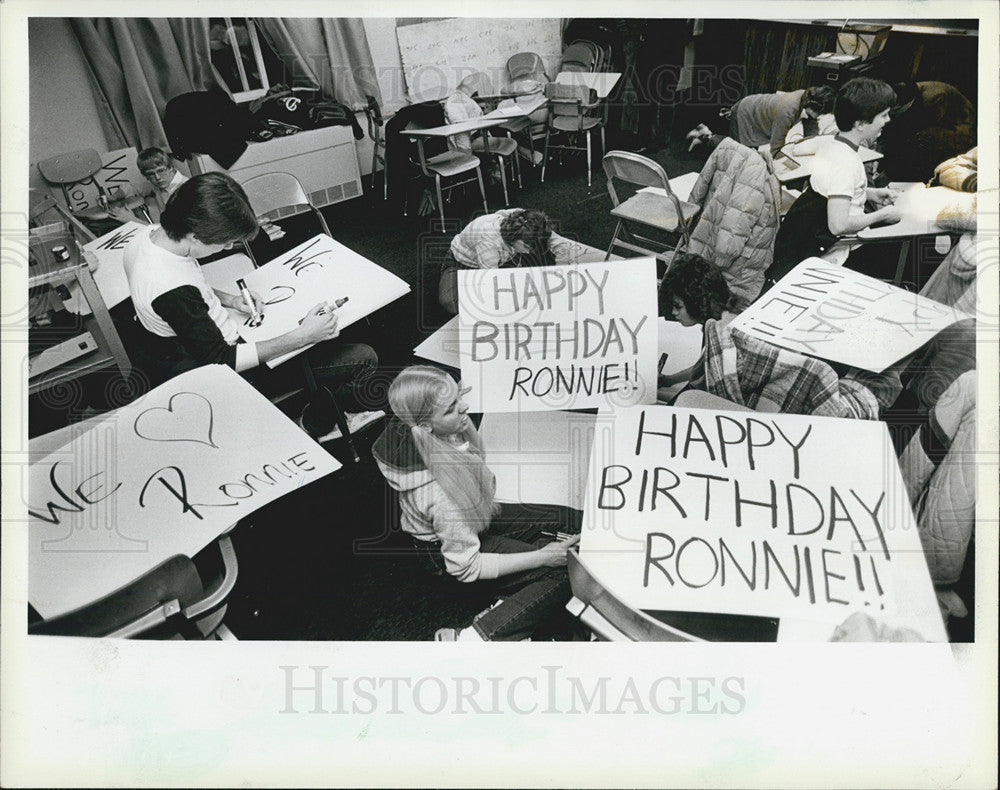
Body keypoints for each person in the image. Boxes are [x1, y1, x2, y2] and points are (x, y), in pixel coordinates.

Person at [123, 172, 383, 440]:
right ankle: (312, 426)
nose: (226, 247)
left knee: (329, 335)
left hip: (184, 346)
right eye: (223, 243)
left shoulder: (147, 237)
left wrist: (229, 299)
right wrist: (303, 336)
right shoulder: (170, 286)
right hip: (227, 370)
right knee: (363, 358)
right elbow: (223, 360)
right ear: (194, 235)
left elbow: (183, 288)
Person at [373, 366, 581, 641]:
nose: (465, 407)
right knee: (566, 573)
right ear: (425, 426)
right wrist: (543, 557)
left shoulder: (427, 425)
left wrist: (454, 411)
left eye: (460, 396)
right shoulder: (442, 496)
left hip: (472, 520)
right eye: (451, 408)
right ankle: (476, 637)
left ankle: (510, 597)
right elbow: (465, 568)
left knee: (570, 520)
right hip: (449, 553)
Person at [438, 208, 595, 313]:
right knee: (449, 302)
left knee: (535, 280)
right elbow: (492, 282)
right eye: (527, 246)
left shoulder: (524, 218)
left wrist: (561, 270)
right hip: (463, 263)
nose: (529, 250)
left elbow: (559, 243)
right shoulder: (488, 243)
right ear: (514, 236)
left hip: (505, 257)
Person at [656, 253, 737, 391]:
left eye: (678, 306)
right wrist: (669, 380)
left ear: (696, 301)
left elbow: (704, 381)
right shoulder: (717, 319)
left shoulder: (721, 331)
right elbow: (704, 367)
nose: (674, 312)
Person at [686, 86, 836, 156]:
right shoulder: (787, 111)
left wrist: (811, 146)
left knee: (746, 152)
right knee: (737, 153)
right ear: (814, 107)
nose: (819, 117)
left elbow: (811, 127)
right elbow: (776, 146)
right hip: (746, 112)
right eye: (821, 114)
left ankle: (704, 134)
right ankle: (705, 137)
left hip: (757, 111)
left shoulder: (807, 98)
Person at [105, 147, 189, 226]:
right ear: (146, 176)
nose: (157, 177)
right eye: (151, 174)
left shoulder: (186, 191)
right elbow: (131, 186)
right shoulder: (160, 184)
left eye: (161, 171)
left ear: (171, 168)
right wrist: (115, 196)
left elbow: (171, 232)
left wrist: (131, 219)